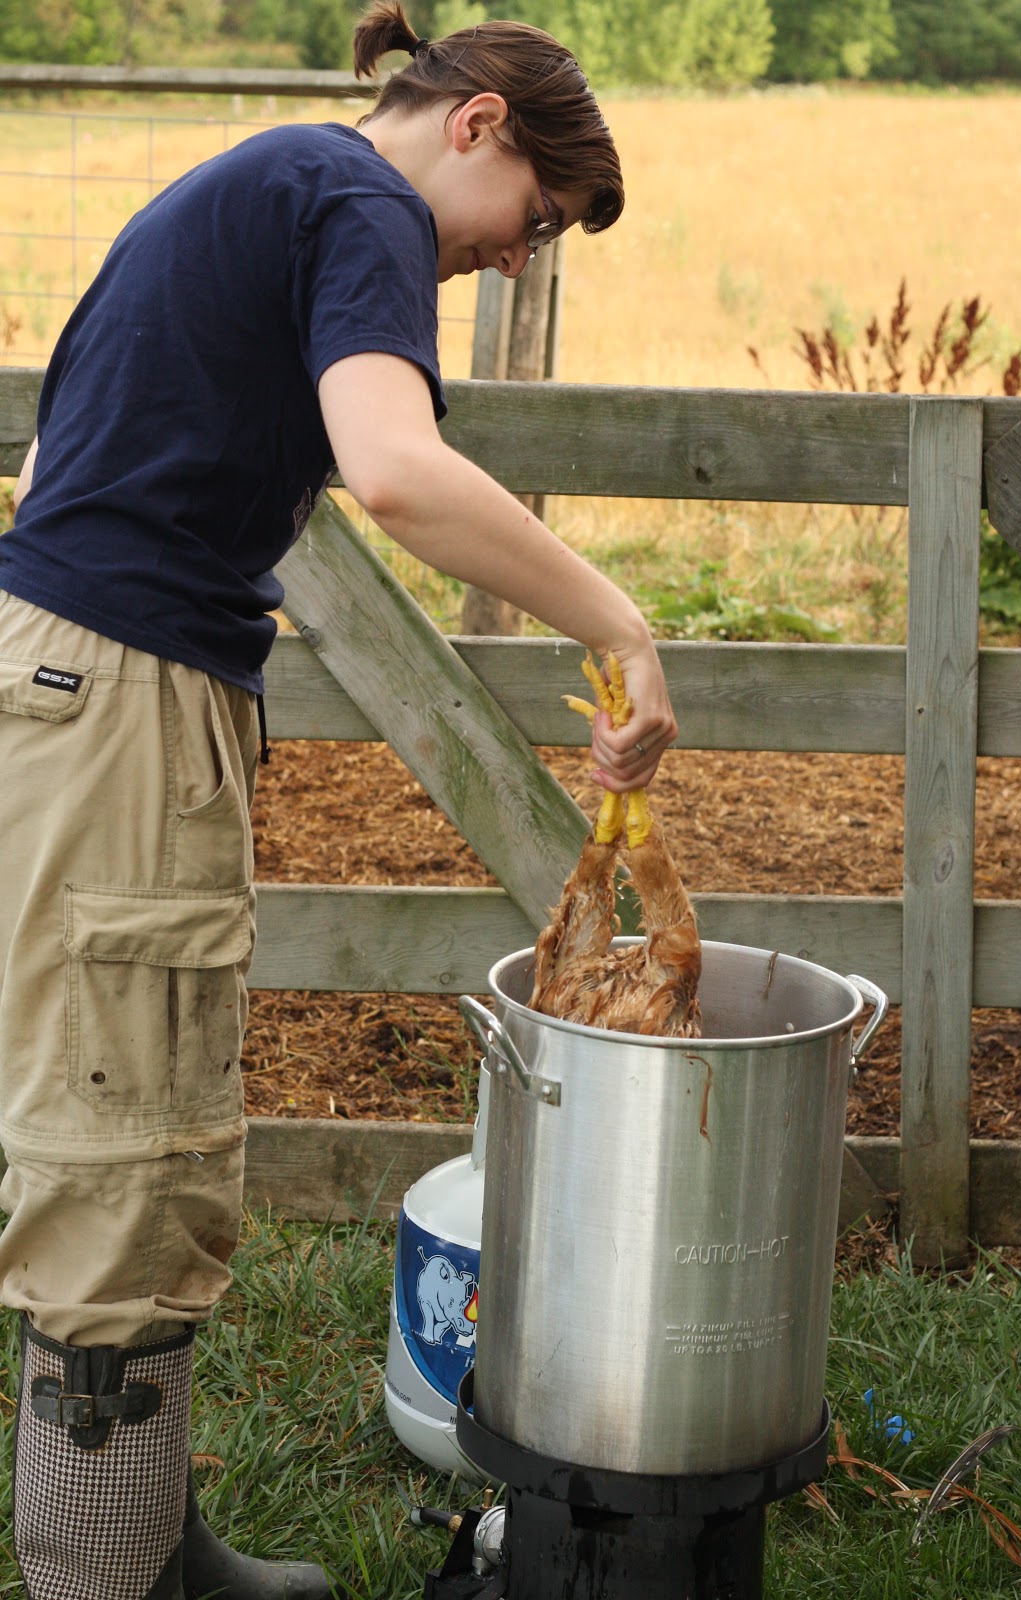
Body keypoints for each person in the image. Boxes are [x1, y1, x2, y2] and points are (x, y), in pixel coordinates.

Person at [0, 4, 678, 1595]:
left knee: (124, 1114)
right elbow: (392, 467)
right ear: (482, 124)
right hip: (114, 690)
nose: (515, 263)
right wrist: (619, 623)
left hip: (81, 671)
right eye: (539, 225)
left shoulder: (284, 179)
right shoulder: (363, 202)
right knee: (119, 1152)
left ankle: (149, 1545)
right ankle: (105, 1576)